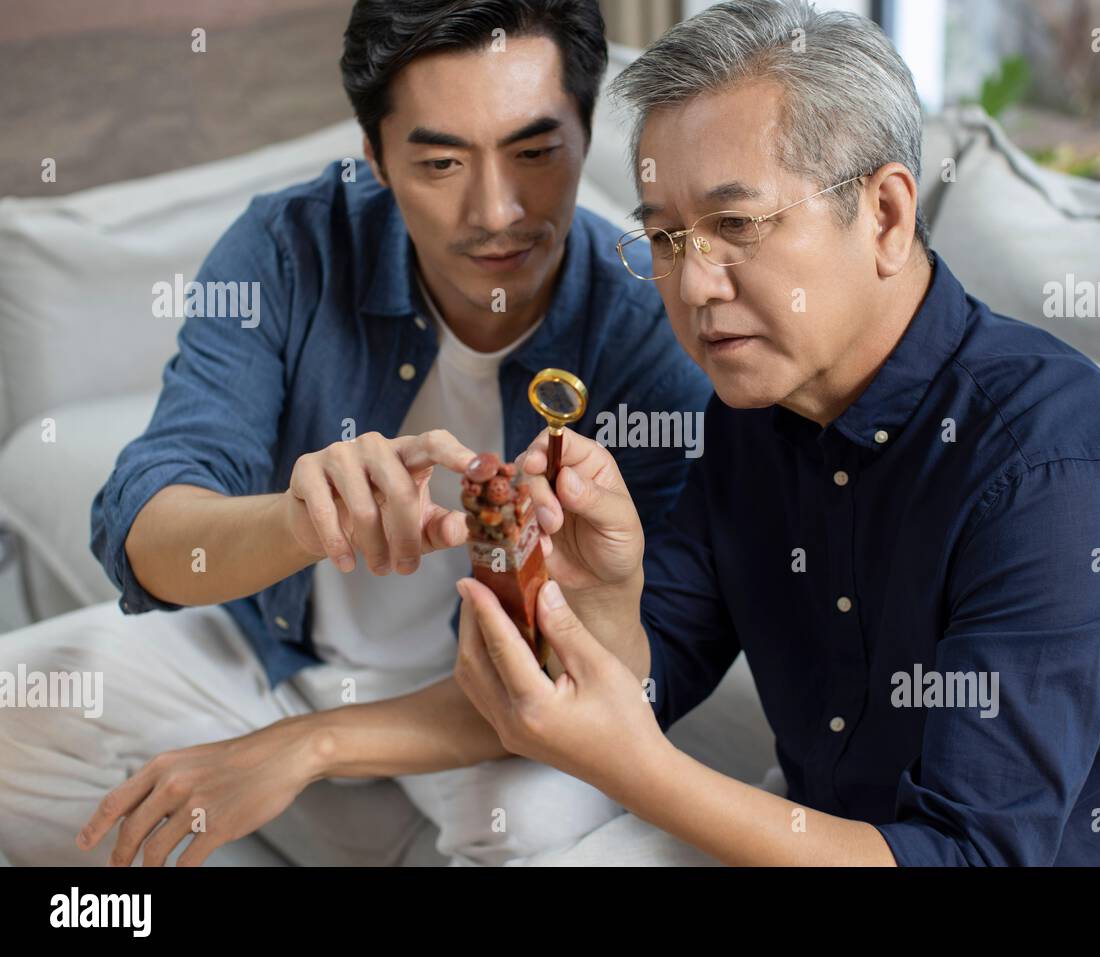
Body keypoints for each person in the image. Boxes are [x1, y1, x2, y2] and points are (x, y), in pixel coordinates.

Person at [451, 0, 1100, 866]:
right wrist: (603, 591)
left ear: (887, 217)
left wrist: (636, 769)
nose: (693, 284)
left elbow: (970, 858)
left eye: (736, 225)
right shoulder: (755, 409)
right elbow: (654, 671)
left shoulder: (1053, 478)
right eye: (666, 236)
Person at [0, 0, 709, 867]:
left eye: (535, 152)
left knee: (541, 824)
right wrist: (297, 523)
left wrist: (313, 745)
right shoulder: (290, 245)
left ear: (586, 130)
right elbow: (142, 527)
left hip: (482, 713)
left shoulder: (652, 331)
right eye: (442, 161)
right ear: (374, 157)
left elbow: (629, 681)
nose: (498, 210)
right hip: (268, 650)